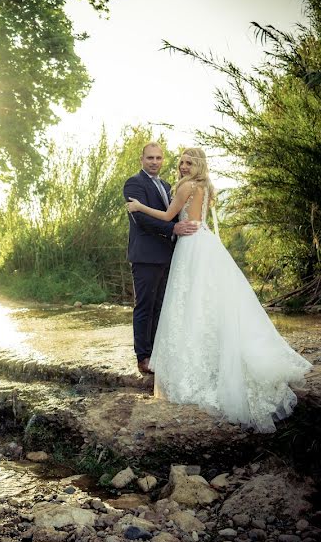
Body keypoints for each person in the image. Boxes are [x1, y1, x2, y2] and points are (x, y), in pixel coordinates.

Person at [126, 147, 311, 432]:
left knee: (190, 302)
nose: (183, 166)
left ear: (197, 165)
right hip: (202, 242)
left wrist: (139, 207)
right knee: (203, 301)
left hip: (189, 246)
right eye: (181, 162)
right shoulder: (204, 186)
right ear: (144, 160)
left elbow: (166, 217)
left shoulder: (184, 186)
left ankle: (190, 360)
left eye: (188, 163)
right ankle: (153, 356)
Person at [124, 142, 200, 376]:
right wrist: (172, 229)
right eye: (150, 158)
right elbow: (142, 220)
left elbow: (178, 211)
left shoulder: (168, 185)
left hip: (169, 255)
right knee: (145, 306)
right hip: (146, 255)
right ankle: (143, 357)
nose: (154, 162)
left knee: (161, 306)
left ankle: (157, 353)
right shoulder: (134, 184)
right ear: (142, 159)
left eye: (158, 158)